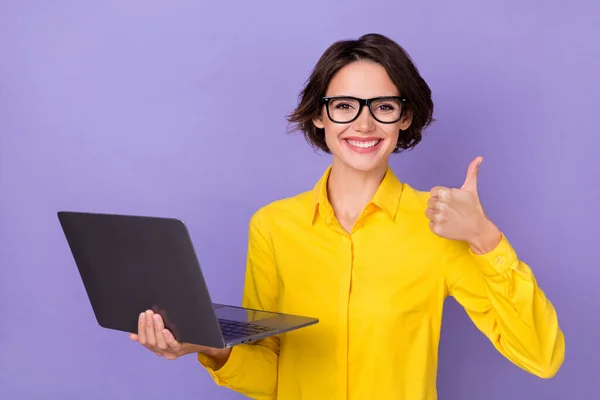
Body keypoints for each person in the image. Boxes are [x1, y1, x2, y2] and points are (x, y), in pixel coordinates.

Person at [129, 33, 565, 399]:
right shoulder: (273, 226)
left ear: (404, 116)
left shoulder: (441, 226)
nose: (364, 123)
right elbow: (272, 376)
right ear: (320, 115)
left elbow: (542, 357)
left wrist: (485, 238)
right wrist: (209, 345)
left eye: (384, 106)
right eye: (344, 106)